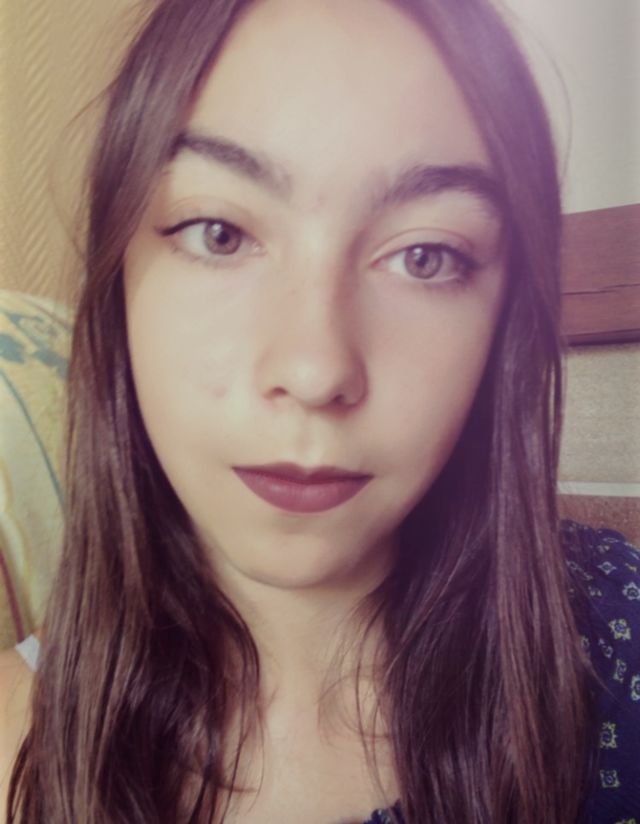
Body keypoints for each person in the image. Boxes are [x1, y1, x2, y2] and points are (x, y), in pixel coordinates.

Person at [1, 0, 639, 821]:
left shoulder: (619, 639)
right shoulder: (18, 743)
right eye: (219, 233)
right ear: (117, 282)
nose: (314, 371)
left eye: (425, 256)